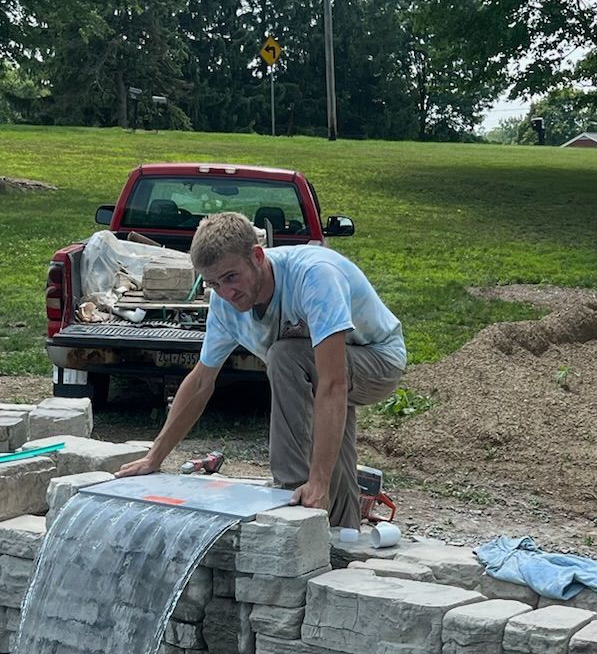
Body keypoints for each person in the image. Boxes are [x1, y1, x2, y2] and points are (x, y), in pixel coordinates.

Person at [117, 211, 406, 527]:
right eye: (213, 283)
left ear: (257, 256)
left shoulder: (313, 276)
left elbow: (334, 384)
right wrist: (154, 456)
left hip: (378, 360)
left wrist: (316, 483)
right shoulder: (224, 304)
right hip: (322, 369)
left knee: (285, 357)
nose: (226, 293)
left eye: (231, 277)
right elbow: (201, 381)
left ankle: (291, 501)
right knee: (332, 455)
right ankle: (342, 535)